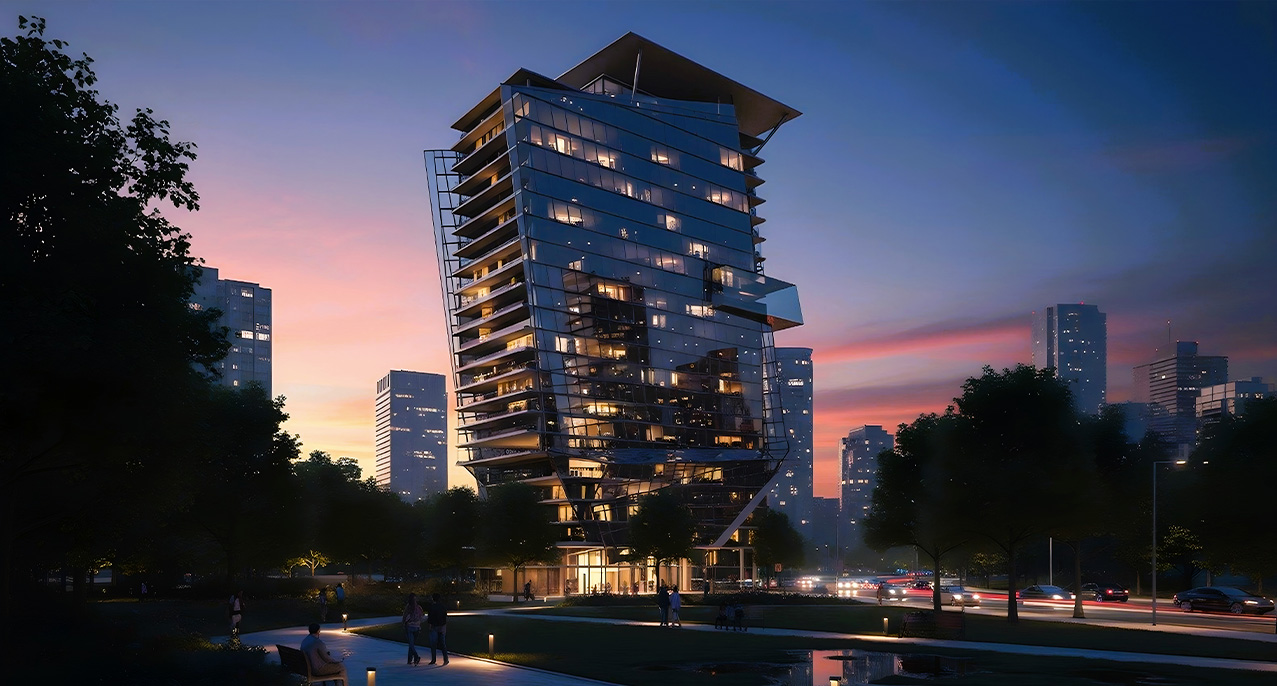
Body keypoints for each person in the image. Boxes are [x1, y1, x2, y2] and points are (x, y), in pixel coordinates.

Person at [426, 593, 449, 665]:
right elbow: (445, 616)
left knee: (433, 644)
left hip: (434, 627)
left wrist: (430, 625)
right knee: (442, 644)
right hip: (441, 626)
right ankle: (445, 659)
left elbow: (430, 617)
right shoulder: (442, 607)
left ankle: (433, 659)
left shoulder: (432, 607)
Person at [402, 593, 424, 666]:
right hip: (417, 627)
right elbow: (421, 617)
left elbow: (405, 617)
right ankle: (410, 660)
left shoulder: (408, 608)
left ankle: (416, 656)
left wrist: (404, 624)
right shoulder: (419, 608)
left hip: (410, 627)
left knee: (411, 644)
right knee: (412, 644)